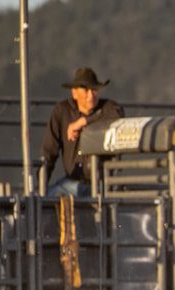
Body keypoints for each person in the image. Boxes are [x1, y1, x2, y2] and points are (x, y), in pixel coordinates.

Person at [42, 67, 124, 197]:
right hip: (71, 183)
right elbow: (49, 152)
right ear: (74, 93)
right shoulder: (62, 111)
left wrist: (83, 122)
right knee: (49, 201)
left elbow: (117, 114)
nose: (91, 95)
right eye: (86, 90)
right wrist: (40, 186)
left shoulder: (108, 108)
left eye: (94, 90)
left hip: (102, 185)